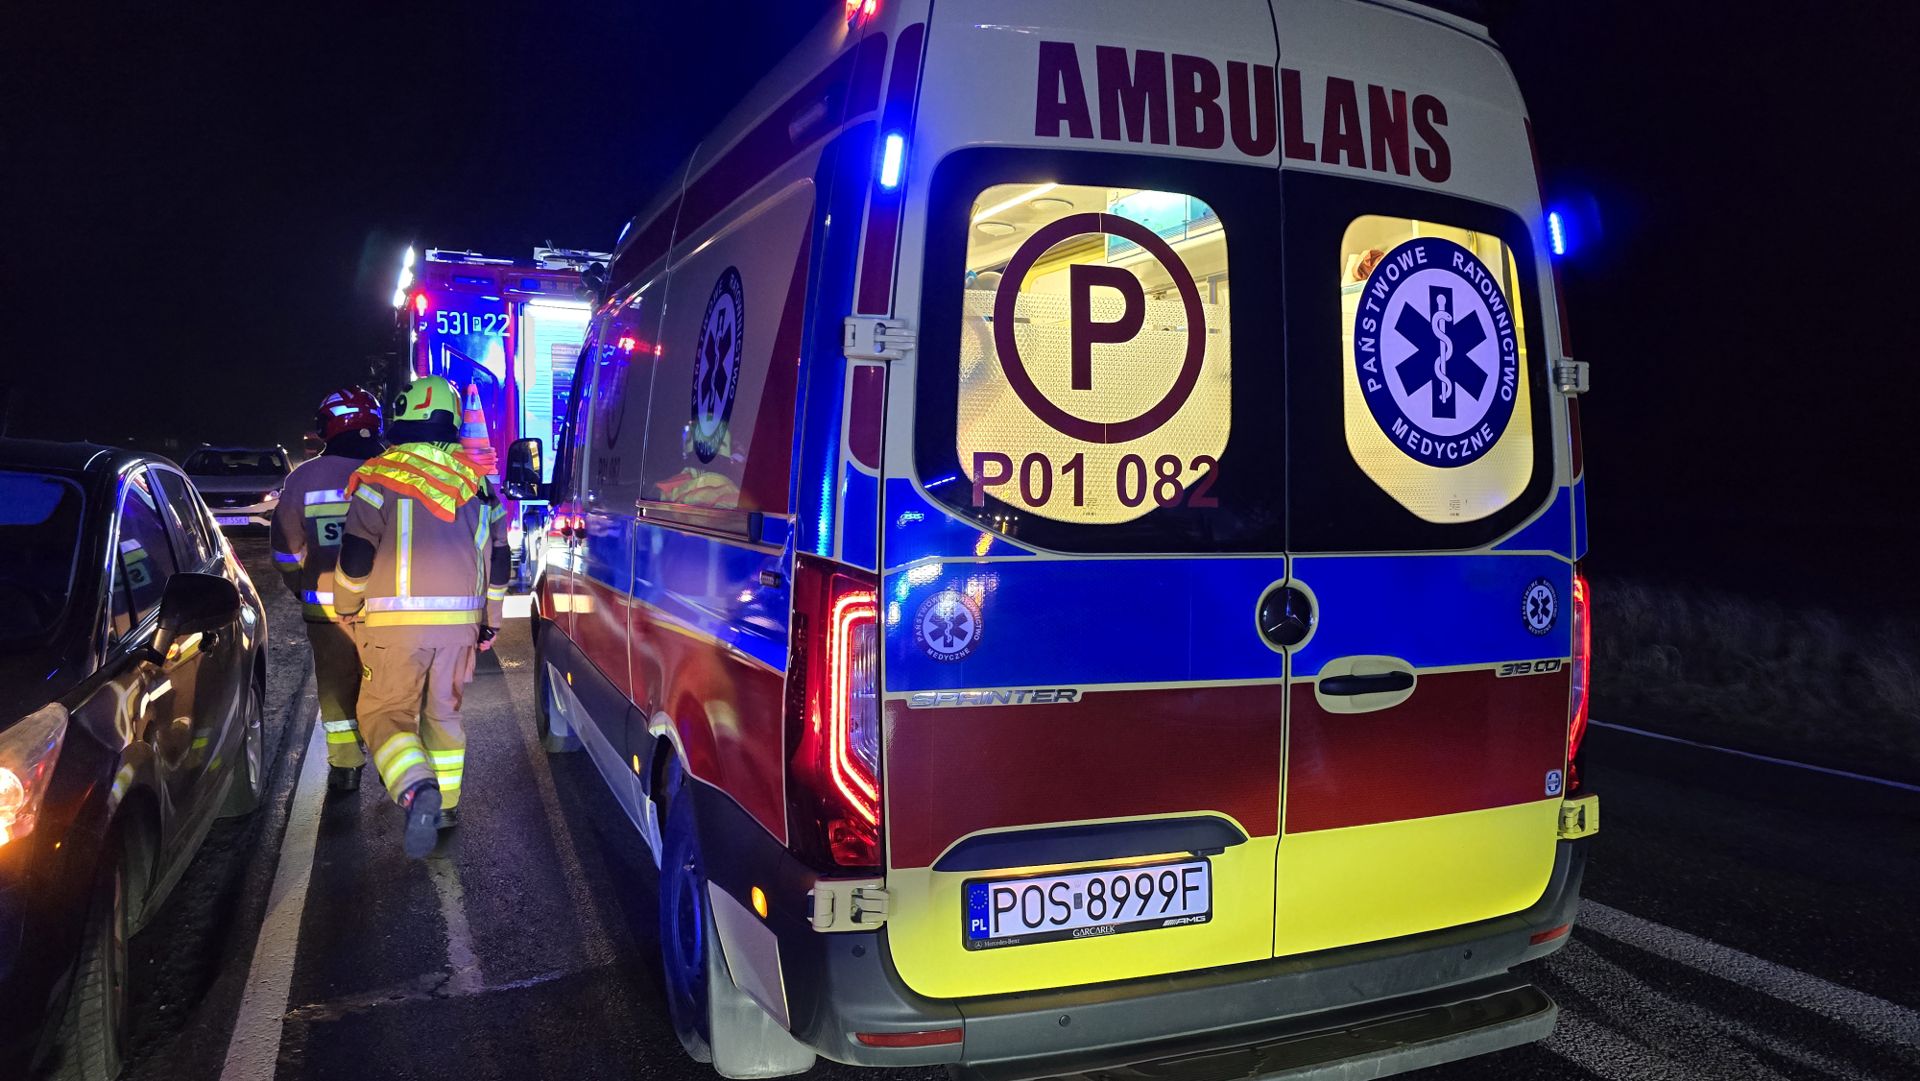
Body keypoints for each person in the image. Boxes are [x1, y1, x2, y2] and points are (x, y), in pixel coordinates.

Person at [333, 375, 510, 857]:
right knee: (444, 713)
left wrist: (346, 606)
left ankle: (415, 787)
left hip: (394, 628)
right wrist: (491, 619)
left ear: (402, 414)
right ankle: (446, 805)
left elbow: (356, 555)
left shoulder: (380, 475)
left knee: (384, 713)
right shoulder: (478, 484)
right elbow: (500, 559)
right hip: (460, 629)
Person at [270, 386, 386, 792]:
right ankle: (397, 762)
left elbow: (285, 551)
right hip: (390, 608)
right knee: (389, 687)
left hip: (327, 609)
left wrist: (299, 586)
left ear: (328, 427)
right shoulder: (395, 471)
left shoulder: (303, 479)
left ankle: (347, 766)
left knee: (336, 688)